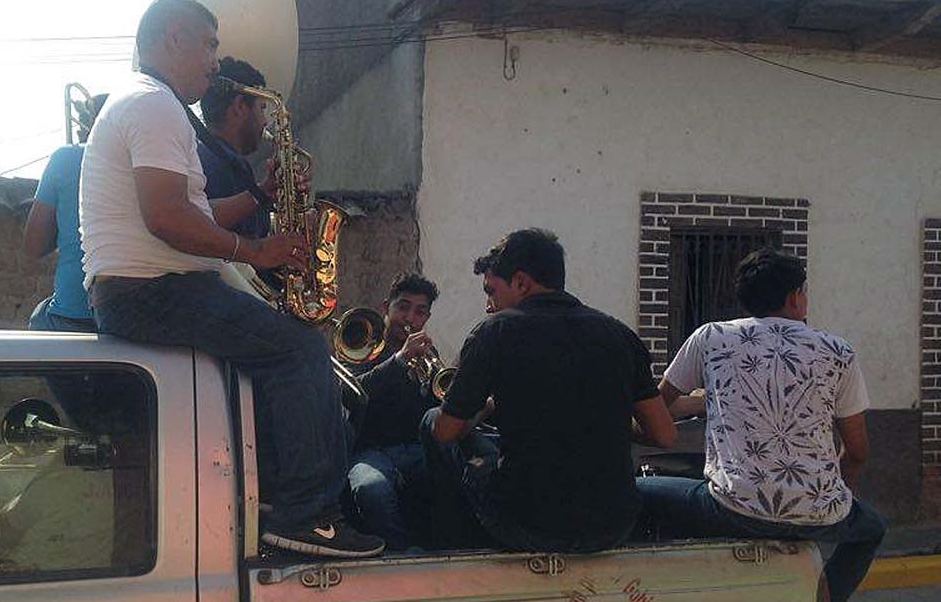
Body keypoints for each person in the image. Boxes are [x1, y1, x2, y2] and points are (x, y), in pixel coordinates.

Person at [78, 0, 383, 558]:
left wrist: (261, 196)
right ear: (173, 38)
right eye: (210, 44)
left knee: (279, 348)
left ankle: (271, 498)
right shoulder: (155, 106)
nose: (216, 61)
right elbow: (167, 218)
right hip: (152, 289)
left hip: (144, 287)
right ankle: (309, 515)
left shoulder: (147, 103)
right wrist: (258, 250)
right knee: (298, 351)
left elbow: (191, 212)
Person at [637, 248, 885, 602]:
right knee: (872, 529)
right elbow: (857, 451)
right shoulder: (837, 351)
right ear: (795, 297)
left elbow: (658, 407)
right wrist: (831, 496)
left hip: (732, 510)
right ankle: (825, 597)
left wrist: (697, 402)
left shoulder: (711, 337)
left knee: (641, 492)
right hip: (820, 513)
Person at [421, 228, 675, 552]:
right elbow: (665, 435)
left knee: (431, 419)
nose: (489, 305)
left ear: (522, 282)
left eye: (492, 291)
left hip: (528, 523)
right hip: (614, 524)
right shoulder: (619, 334)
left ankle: (448, 547)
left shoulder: (494, 332)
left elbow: (445, 431)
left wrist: (484, 408)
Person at [346, 273, 440, 550]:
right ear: (386, 306)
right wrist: (399, 360)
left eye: (420, 312)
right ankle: (401, 550)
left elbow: (433, 409)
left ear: (426, 318)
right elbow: (353, 393)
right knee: (370, 489)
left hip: (413, 448)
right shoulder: (359, 341)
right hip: (369, 449)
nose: (409, 318)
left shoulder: (427, 352)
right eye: (403, 307)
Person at [22, 93, 109, 332]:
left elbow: (34, 245)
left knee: (41, 316)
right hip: (136, 313)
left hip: (74, 311)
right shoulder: (155, 166)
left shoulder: (66, 159)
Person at [197, 56, 276, 240]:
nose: (265, 121)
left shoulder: (213, 158)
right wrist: (261, 192)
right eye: (262, 108)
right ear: (239, 106)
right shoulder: (215, 164)